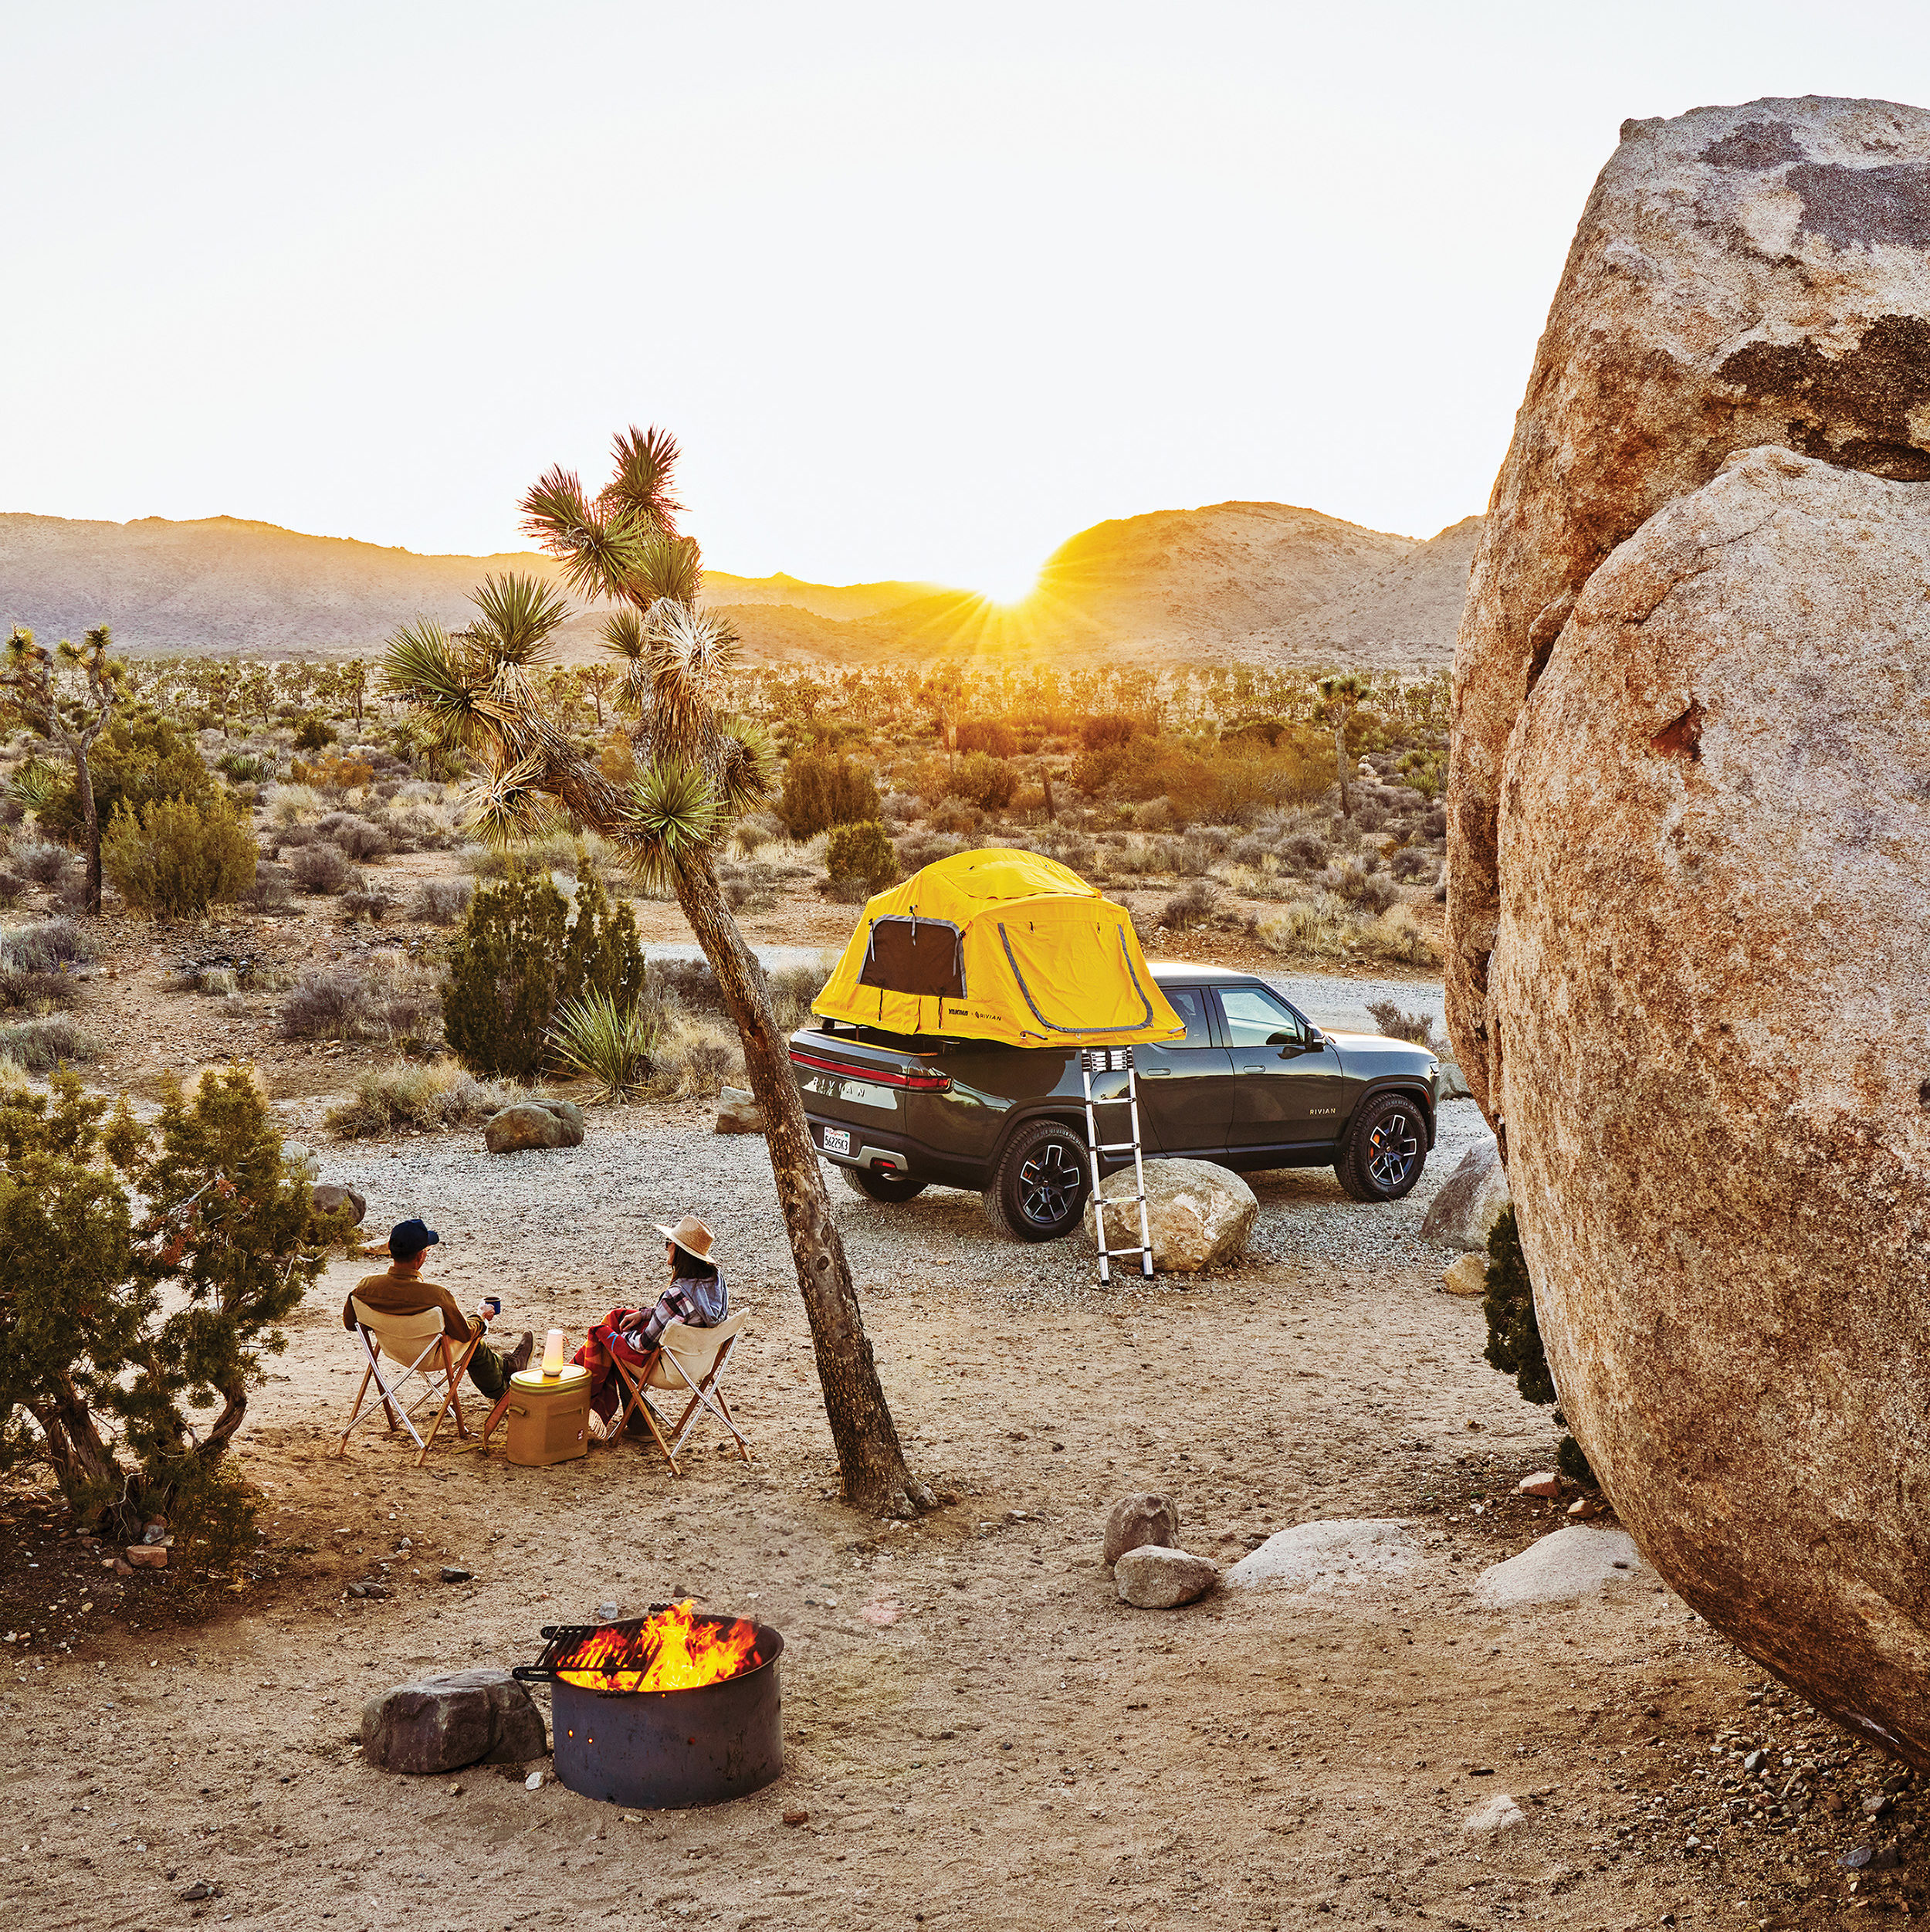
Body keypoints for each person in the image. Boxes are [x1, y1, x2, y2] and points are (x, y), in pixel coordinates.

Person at [343, 1218, 532, 1402]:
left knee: (463, 1333)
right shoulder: (436, 1296)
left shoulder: (365, 1286)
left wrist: (389, 1325)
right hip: (431, 1358)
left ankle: (508, 1366)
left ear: (391, 1250)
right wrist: (480, 1316)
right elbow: (465, 1334)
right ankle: (501, 1388)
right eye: (427, 1250)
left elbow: (352, 1324)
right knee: (474, 1340)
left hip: (393, 1350)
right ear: (420, 1255)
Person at [576, 1213, 730, 1430]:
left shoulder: (676, 1294)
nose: (666, 1247)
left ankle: (602, 1407)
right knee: (619, 1318)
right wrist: (645, 1314)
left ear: (681, 1253)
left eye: (669, 1243)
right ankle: (639, 1422)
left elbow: (643, 1346)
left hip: (671, 1371)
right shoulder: (716, 1283)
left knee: (607, 1339)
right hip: (701, 1365)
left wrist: (617, 1337)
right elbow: (684, 1314)